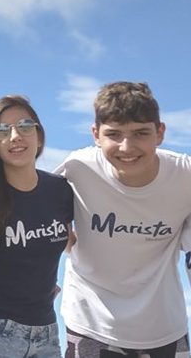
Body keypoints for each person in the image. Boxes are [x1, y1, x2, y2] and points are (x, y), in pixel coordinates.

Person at [57, 82, 191, 358]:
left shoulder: (184, 175)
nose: (127, 147)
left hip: (165, 327)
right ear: (96, 134)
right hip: (91, 325)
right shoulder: (78, 168)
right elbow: (35, 207)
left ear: (160, 133)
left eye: (141, 133)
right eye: (114, 134)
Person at [0, 95, 73, 357]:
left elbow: (70, 242)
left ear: (39, 136)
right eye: (2, 130)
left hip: (46, 330)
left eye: (25, 126)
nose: (15, 136)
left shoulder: (60, 190)